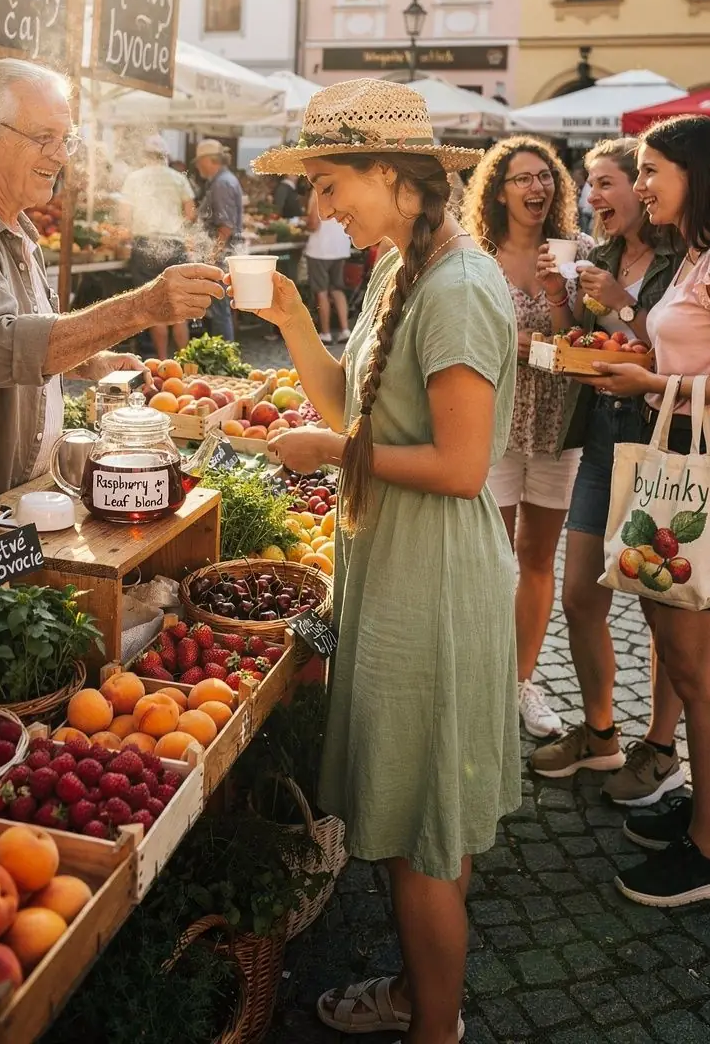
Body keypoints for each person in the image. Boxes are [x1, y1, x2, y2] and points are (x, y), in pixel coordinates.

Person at [238, 78, 520, 1044]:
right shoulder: (404, 268)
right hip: (402, 568)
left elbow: (461, 465)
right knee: (422, 819)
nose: (315, 210)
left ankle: (433, 1027)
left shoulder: (460, 286)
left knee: (420, 846)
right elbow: (344, 409)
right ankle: (417, 992)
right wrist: (288, 322)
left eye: (328, 186)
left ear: (395, 177)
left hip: (434, 584)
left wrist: (334, 457)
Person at [0, 62, 225, 493]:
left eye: (65, 139)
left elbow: (24, 336)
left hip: (15, 495)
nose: (62, 155)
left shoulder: (17, 226)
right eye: (42, 137)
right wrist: (141, 307)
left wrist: (88, 361)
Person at [590, 115, 710, 906]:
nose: (640, 184)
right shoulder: (694, 256)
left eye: (652, 171)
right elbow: (690, 356)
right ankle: (706, 814)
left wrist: (651, 387)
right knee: (672, 642)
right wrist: (632, 359)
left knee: (699, 665)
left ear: (697, 173)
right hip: (675, 455)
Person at [528, 138, 684, 804]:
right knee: (581, 598)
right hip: (601, 436)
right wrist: (560, 300)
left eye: (611, 182)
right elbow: (584, 348)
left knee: (660, 607)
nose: (596, 197)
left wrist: (620, 301)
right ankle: (599, 734)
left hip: (659, 439)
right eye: (591, 185)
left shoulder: (684, 258)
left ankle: (660, 747)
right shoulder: (601, 256)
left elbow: (674, 346)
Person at [463, 136, 592, 739]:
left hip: (558, 427)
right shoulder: (475, 259)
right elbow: (473, 342)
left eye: (545, 177)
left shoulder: (576, 253)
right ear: (498, 190)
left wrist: (555, 296)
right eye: (522, 179)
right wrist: (530, 349)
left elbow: (579, 349)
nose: (537, 187)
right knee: (489, 558)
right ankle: (481, 677)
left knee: (537, 558)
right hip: (493, 421)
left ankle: (520, 681)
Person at [122, 135, 197, 360]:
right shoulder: (177, 178)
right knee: (179, 306)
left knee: (156, 308)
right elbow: (190, 213)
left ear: (145, 155)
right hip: (175, 244)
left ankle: (164, 361)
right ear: (165, 156)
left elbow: (125, 216)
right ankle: (184, 362)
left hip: (145, 245)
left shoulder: (134, 178)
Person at [194, 139, 243, 342]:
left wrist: (211, 258)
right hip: (223, 253)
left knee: (220, 310)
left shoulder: (222, 183)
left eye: (199, 161)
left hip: (221, 255)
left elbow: (225, 227)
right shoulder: (222, 180)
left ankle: (225, 356)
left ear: (209, 160)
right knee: (220, 309)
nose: (197, 166)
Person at [304, 191, 351, 345]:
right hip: (341, 246)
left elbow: (313, 222)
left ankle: (326, 333)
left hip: (320, 249)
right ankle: (345, 330)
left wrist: (305, 224)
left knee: (321, 292)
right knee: (337, 289)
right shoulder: (342, 187)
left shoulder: (317, 190)